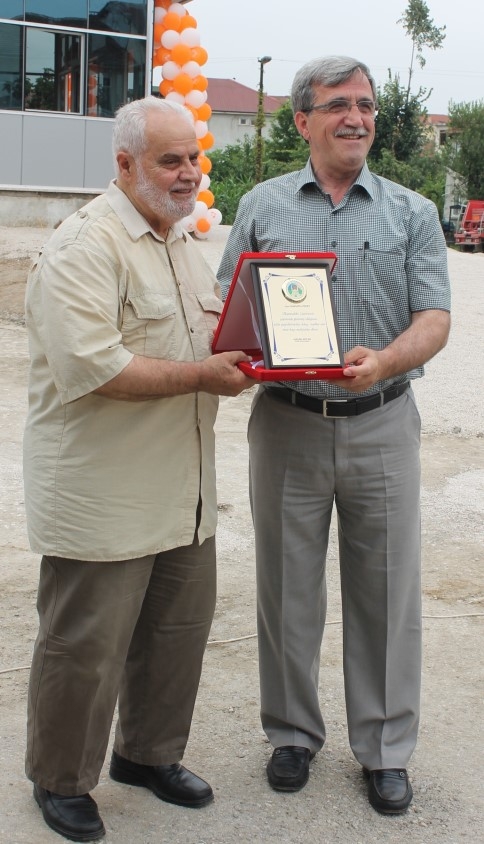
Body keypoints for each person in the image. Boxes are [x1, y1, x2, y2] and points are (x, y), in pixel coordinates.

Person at [217, 56, 451, 814]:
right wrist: (244, 353)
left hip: (382, 422)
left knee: (386, 594)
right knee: (286, 592)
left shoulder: (411, 212)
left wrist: (383, 359)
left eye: (368, 105)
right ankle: (291, 733)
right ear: (302, 120)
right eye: (340, 105)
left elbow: (435, 319)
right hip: (286, 424)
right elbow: (230, 305)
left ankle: (384, 750)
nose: (358, 118)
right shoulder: (262, 204)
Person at [23, 95, 253, 842]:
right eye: (170, 159)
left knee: (176, 633)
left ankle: (147, 756)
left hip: (183, 492)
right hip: (104, 493)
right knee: (84, 648)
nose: (189, 173)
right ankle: (60, 780)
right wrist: (204, 377)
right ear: (124, 165)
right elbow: (95, 367)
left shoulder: (185, 243)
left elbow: (214, 333)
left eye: (194, 158)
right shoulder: (84, 246)